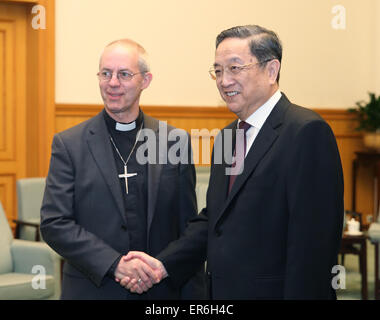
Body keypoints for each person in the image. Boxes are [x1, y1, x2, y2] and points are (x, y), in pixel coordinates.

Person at [122, 25, 344, 299]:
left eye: (235, 68)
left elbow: (314, 246)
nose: (224, 81)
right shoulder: (228, 136)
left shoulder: (306, 132)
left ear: (271, 70)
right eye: (218, 70)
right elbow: (216, 220)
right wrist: (163, 265)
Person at [40, 39, 206, 300]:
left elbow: (187, 227)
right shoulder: (69, 144)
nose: (112, 83)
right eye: (105, 73)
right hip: (93, 290)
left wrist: (169, 275)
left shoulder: (174, 141)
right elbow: (54, 223)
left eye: (124, 74)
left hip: (159, 290)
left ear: (146, 80)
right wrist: (114, 264)